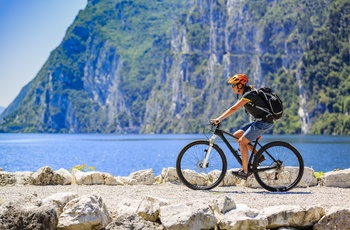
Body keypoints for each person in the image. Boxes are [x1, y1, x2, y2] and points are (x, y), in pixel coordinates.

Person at [210, 74, 274, 180]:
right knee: (237, 135)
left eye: (234, 85)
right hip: (259, 121)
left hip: (264, 122)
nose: (232, 88)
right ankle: (259, 156)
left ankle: (245, 171)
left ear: (240, 85)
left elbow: (233, 109)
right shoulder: (247, 94)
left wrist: (219, 119)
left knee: (241, 142)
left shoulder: (249, 95)